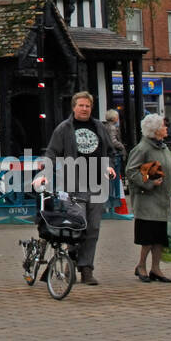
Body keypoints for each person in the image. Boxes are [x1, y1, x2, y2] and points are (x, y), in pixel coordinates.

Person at [43, 92, 115, 285]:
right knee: (77, 225)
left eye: (88, 106)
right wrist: (44, 175)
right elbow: (51, 153)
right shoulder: (64, 129)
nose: (84, 109)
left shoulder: (99, 127)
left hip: (97, 185)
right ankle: (72, 262)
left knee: (93, 228)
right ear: (74, 107)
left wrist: (110, 166)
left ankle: (86, 269)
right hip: (73, 185)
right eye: (81, 105)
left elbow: (110, 151)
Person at [125, 114, 171, 283]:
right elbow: (130, 171)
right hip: (147, 200)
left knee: (160, 237)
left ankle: (156, 268)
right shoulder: (142, 148)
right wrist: (149, 183)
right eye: (163, 126)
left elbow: (169, 174)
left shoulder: (163, 147)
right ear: (155, 131)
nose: (166, 128)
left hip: (162, 200)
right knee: (147, 238)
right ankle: (141, 266)